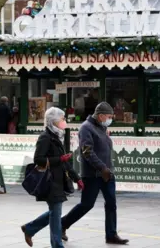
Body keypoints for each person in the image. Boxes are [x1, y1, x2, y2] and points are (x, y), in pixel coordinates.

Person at [61, 102, 129, 245]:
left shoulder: (102, 127)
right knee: (86, 204)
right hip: (92, 174)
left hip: (107, 173)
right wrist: (102, 168)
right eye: (109, 117)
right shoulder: (86, 128)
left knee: (111, 203)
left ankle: (111, 234)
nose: (110, 119)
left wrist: (107, 169)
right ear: (101, 115)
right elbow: (87, 152)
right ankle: (63, 224)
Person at [21, 107, 84, 248]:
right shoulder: (45, 137)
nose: (64, 121)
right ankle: (57, 245)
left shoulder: (57, 136)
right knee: (56, 214)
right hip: (50, 181)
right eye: (62, 119)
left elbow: (65, 162)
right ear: (53, 121)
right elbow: (39, 159)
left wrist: (76, 178)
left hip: (58, 180)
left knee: (54, 212)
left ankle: (30, 229)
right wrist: (59, 159)